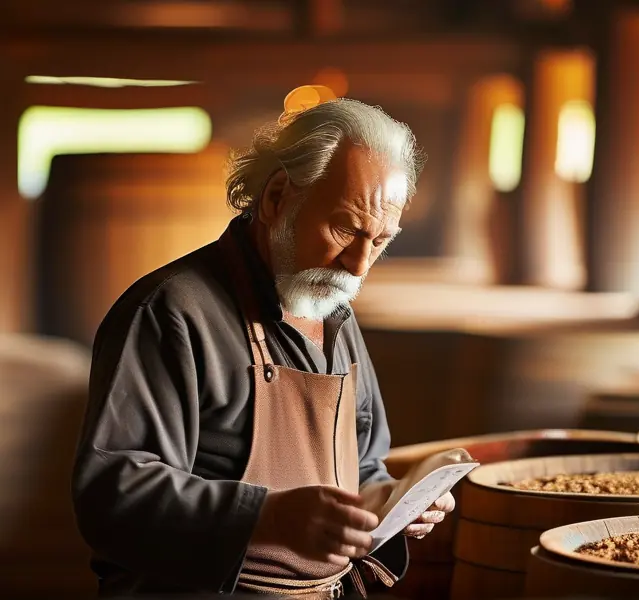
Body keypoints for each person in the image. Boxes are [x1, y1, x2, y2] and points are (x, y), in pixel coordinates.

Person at [71, 85, 455, 598]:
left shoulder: (333, 312)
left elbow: (362, 464)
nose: (360, 266)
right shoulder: (171, 313)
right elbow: (111, 494)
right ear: (277, 198)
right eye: (345, 229)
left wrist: (392, 502)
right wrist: (265, 518)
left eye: (379, 241)